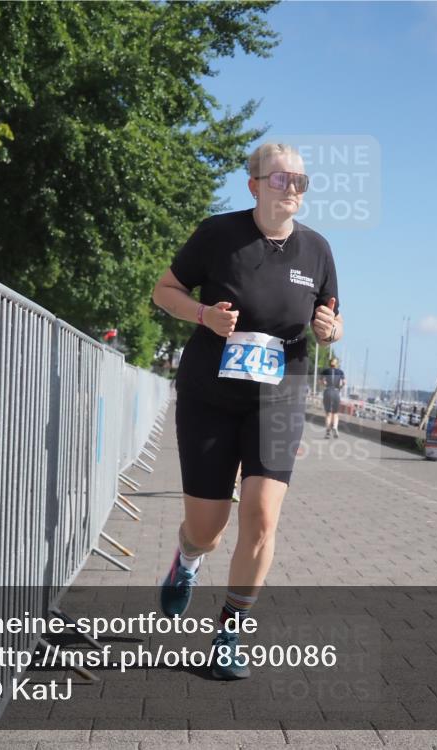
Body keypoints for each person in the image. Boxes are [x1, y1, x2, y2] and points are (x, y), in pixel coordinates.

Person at [151, 142, 343, 680]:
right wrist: (203, 314)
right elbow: (163, 290)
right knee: (207, 528)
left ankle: (230, 632)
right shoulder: (218, 234)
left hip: (278, 396)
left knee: (261, 516)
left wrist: (332, 330)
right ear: (254, 185)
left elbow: (331, 318)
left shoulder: (318, 251)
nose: (292, 189)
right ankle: (188, 558)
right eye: (280, 179)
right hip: (210, 396)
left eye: (301, 180)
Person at [320, 356, 345, 438]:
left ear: (329, 363)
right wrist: (339, 388)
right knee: (335, 413)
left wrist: (325, 385)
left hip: (327, 391)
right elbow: (344, 382)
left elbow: (322, 381)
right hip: (336, 392)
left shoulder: (325, 371)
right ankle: (334, 427)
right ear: (336, 364)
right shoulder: (340, 372)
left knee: (328, 414)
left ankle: (327, 431)